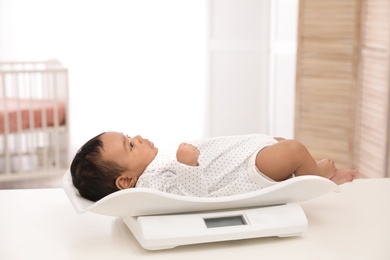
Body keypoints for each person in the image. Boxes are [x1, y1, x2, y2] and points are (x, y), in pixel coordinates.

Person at [70, 132, 358, 202]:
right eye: (129, 146)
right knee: (293, 149)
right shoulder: (149, 189)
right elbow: (193, 199)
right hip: (246, 173)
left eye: (128, 135)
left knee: (281, 143)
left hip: (242, 159)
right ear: (124, 181)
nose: (136, 138)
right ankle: (316, 178)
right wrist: (187, 165)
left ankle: (309, 169)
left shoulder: (152, 172)